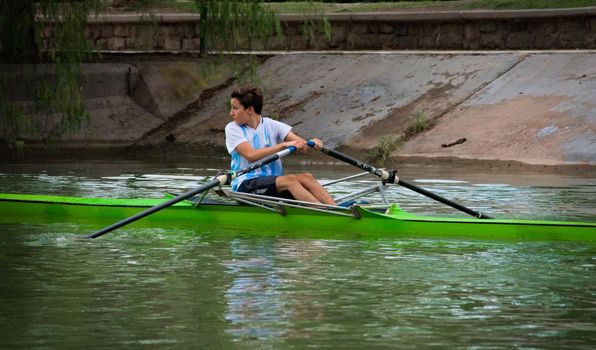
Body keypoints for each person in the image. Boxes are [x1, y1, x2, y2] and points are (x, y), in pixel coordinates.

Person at [224, 83, 336, 205]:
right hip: (246, 185)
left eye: (235, 108)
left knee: (307, 177)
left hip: (275, 184)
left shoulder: (271, 125)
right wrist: (283, 145)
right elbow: (251, 155)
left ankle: (336, 210)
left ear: (250, 109)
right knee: (290, 181)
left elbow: (302, 145)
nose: (231, 113)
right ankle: (326, 215)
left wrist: (314, 143)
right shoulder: (232, 128)